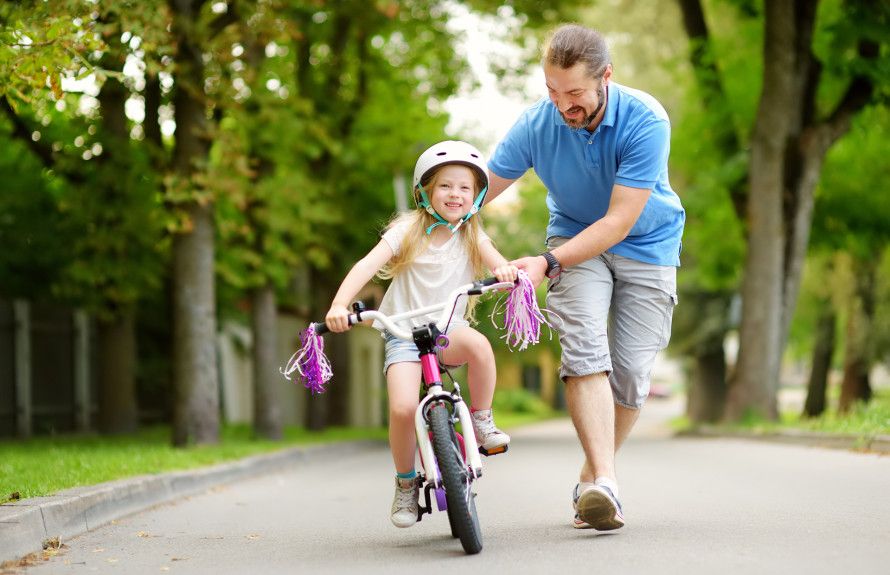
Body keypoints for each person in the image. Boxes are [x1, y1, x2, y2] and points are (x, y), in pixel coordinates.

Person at [485, 24, 685, 531]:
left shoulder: (645, 119)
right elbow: (480, 187)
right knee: (584, 350)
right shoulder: (537, 123)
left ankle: (594, 477)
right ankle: (605, 486)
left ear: (606, 78)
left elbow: (619, 221)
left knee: (634, 374)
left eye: (574, 93)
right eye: (552, 91)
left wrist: (545, 265)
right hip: (574, 243)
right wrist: (433, 208)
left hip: (647, 243)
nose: (562, 105)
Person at [325, 140, 518, 529]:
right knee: (400, 409)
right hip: (403, 334)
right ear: (426, 191)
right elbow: (366, 265)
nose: (455, 194)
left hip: (449, 330)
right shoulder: (407, 229)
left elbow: (497, 262)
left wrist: (506, 272)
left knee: (479, 346)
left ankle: (481, 420)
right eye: (446, 185)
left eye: (465, 187)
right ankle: (406, 483)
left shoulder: (471, 233)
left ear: (477, 195)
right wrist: (339, 305)